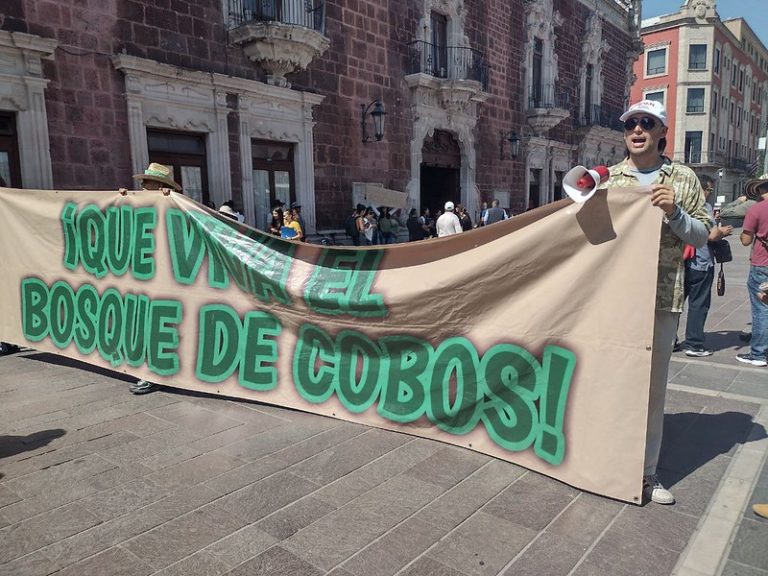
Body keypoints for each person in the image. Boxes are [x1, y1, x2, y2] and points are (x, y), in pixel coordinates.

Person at [604, 100, 711, 504]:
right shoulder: (608, 178)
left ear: (661, 131)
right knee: (610, 379)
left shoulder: (682, 178)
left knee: (651, 390)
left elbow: (701, 235)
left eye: (646, 123)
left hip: (660, 297)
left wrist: (676, 213)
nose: (637, 129)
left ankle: (647, 473)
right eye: (630, 123)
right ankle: (608, 457)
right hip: (613, 297)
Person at [130, 163, 182, 394]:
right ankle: (153, 372)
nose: (141, 186)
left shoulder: (176, 209)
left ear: (160, 186)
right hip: (145, 279)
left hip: (166, 281)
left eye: (146, 182)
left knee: (159, 327)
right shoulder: (140, 206)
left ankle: (155, 373)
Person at [675, 175, 733, 357]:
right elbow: (712, 235)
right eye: (708, 190)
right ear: (701, 189)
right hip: (700, 262)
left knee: (675, 304)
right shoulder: (703, 207)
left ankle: (670, 340)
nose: (709, 194)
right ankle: (694, 343)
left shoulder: (680, 205)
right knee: (698, 304)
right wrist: (723, 231)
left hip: (679, 262)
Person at [737, 173, 768, 367]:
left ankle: (758, 353)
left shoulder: (757, 210)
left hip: (762, 264)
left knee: (762, 309)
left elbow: (746, 240)